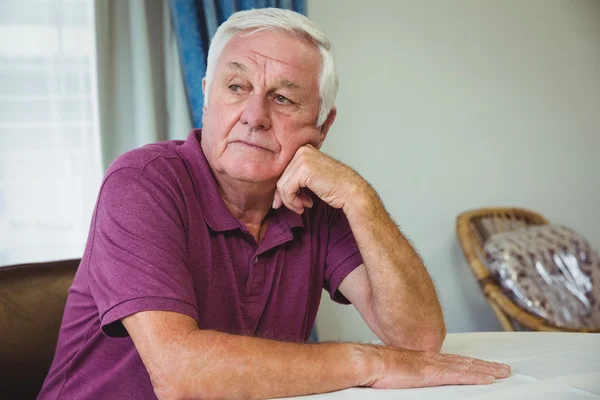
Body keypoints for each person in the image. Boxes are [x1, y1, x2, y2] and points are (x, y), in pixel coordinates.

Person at [39, 8, 510, 400]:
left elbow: (418, 341)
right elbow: (180, 372)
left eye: (283, 98)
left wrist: (358, 196)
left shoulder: (319, 198)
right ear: (206, 94)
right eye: (237, 87)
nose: (254, 116)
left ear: (322, 127)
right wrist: (367, 360)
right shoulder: (142, 182)